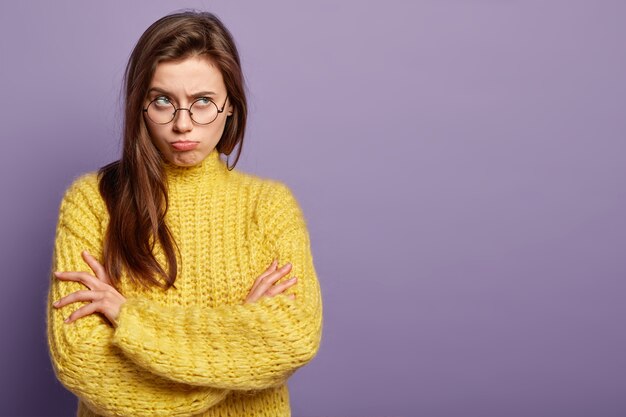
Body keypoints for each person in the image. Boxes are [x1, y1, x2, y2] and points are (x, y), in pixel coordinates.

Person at [46, 10, 322, 417]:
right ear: (140, 105)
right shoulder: (92, 201)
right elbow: (80, 360)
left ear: (231, 106)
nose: (182, 124)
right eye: (162, 101)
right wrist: (240, 344)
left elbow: (294, 338)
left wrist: (128, 318)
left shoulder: (269, 205)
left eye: (203, 102)